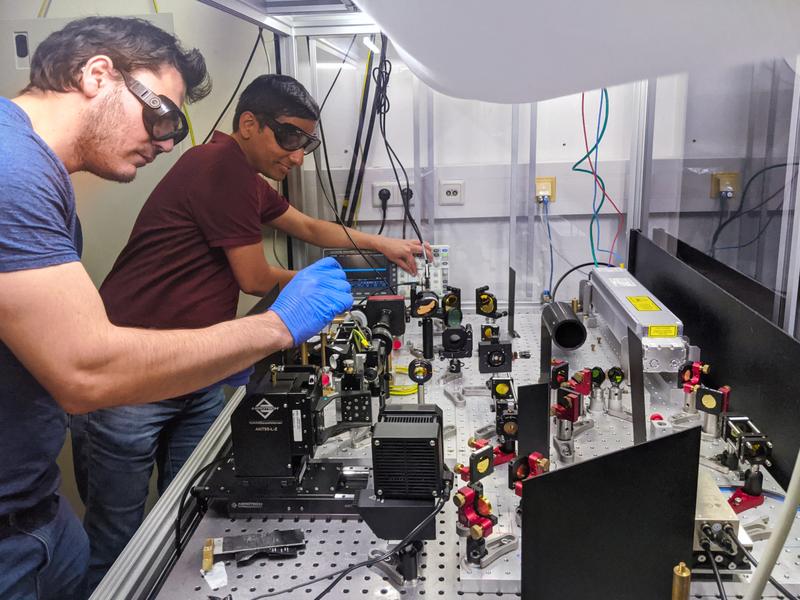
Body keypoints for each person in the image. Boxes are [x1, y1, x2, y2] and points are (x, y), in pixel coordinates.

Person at [0, 17, 352, 600]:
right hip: (16, 537)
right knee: (122, 545)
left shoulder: (38, 172)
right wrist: (275, 325)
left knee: (175, 527)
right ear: (96, 75)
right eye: (163, 115)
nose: (167, 141)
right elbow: (87, 370)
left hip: (36, 513)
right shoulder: (12, 172)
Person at [71, 73, 426, 591]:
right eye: (290, 139)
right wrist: (327, 286)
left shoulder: (243, 177)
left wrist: (381, 245)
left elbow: (307, 227)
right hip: (132, 377)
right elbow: (256, 280)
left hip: (196, 370)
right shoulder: (219, 168)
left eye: (308, 143)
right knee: (118, 539)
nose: (299, 156)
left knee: (190, 517)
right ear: (249, 125)